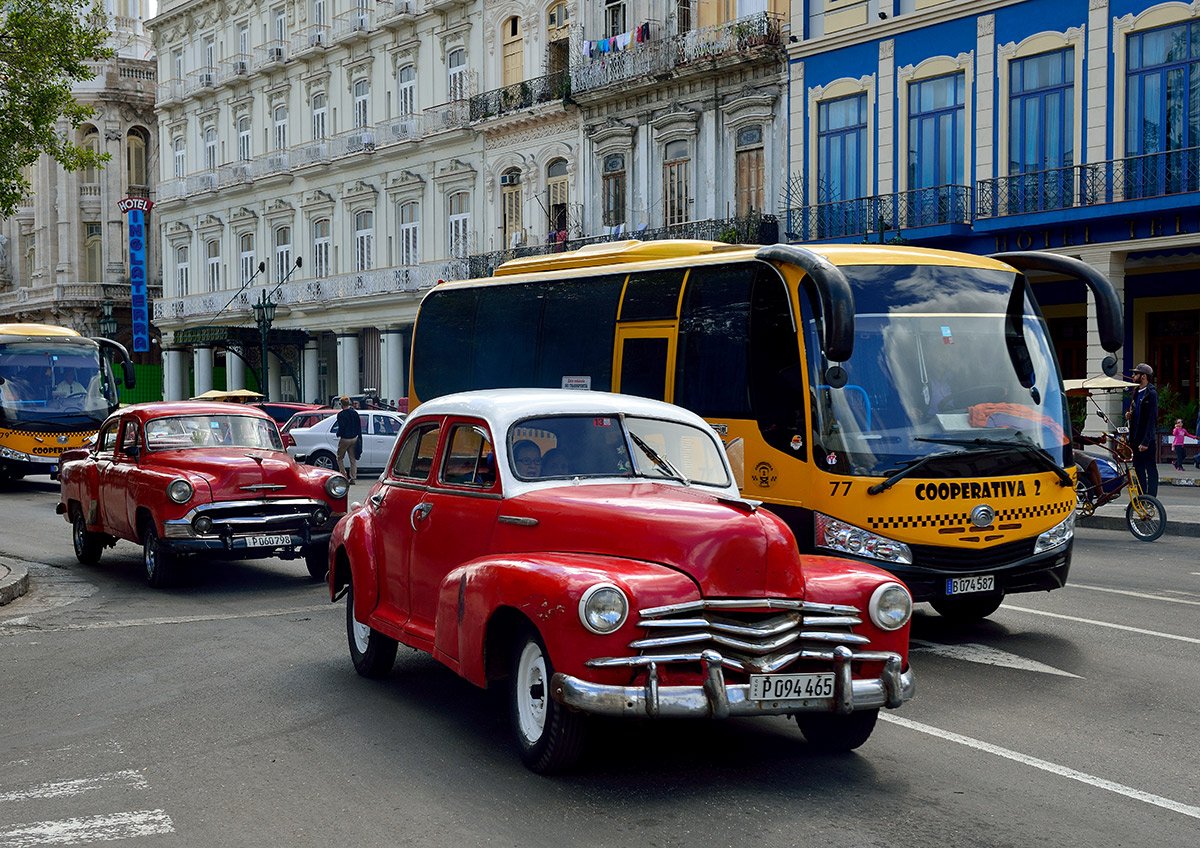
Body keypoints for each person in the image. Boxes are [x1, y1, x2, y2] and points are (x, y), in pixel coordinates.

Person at [1124, 362, 1159, 496]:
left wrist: (1145, 442)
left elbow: (1152, 419)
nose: (1133, 376)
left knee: (1150, 468)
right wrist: (1130, 415)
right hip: (1135, 437)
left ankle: (1151, 498)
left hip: (1147, 440)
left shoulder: (1151, 393)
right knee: (1138, 469)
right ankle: (1141, 496)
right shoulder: (1136, 392)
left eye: (1136, 374)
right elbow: (1136, 411)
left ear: (1143, 376)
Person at [334, 395, 362, 483]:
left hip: (345, 438)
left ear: (341, 404)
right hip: (354, 438)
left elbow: (341, 427)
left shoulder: (341, 415)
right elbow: (358, 426)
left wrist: (338, 433)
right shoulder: (355, 413)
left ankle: (343, 475)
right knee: (352, 458)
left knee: (339, 457)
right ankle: (353, 477)